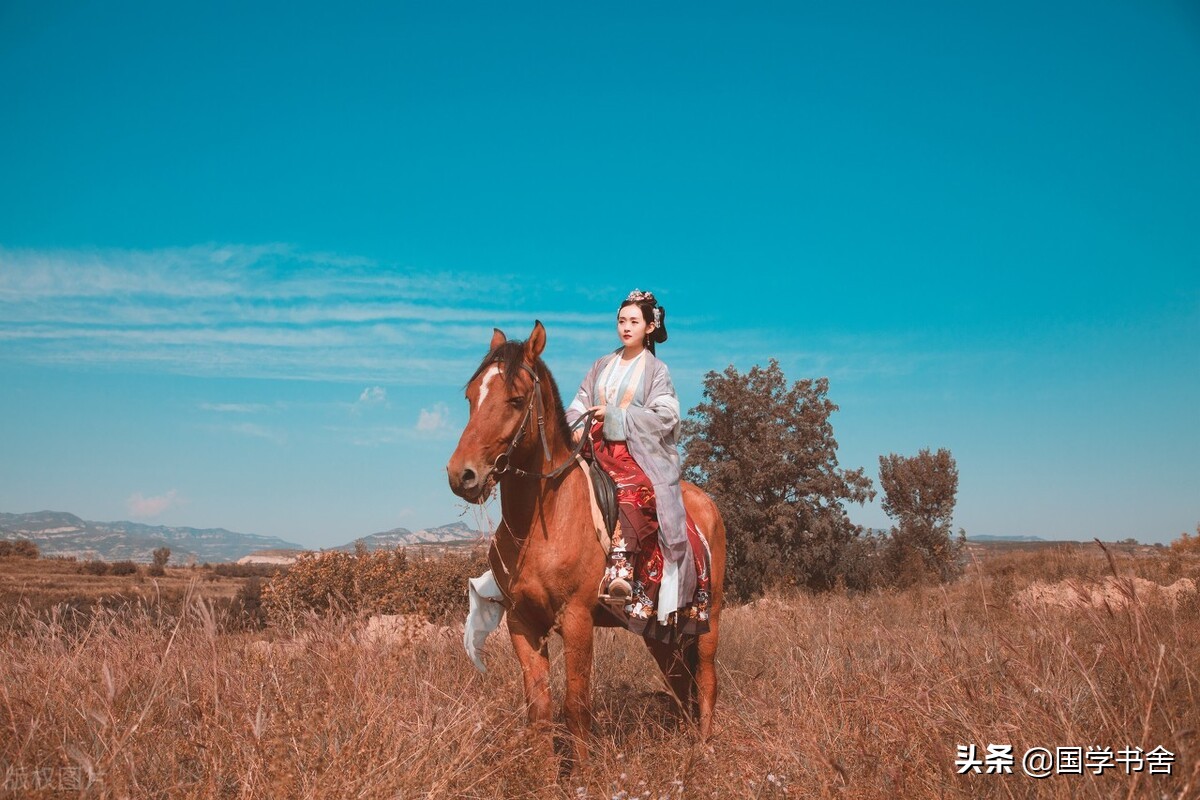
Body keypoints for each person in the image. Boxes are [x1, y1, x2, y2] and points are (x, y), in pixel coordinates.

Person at [565, 289, 700, 637]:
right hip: (592, 444)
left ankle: (622, 573)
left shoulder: (657, 370)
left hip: (633, 450)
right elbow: (580, 401)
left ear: (649, 327)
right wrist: (572, 423)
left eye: (634, 321)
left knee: (633, 490)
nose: (626, 327)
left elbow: (667, 415)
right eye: (621, 321)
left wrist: (616, 416)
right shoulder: (601, 364)